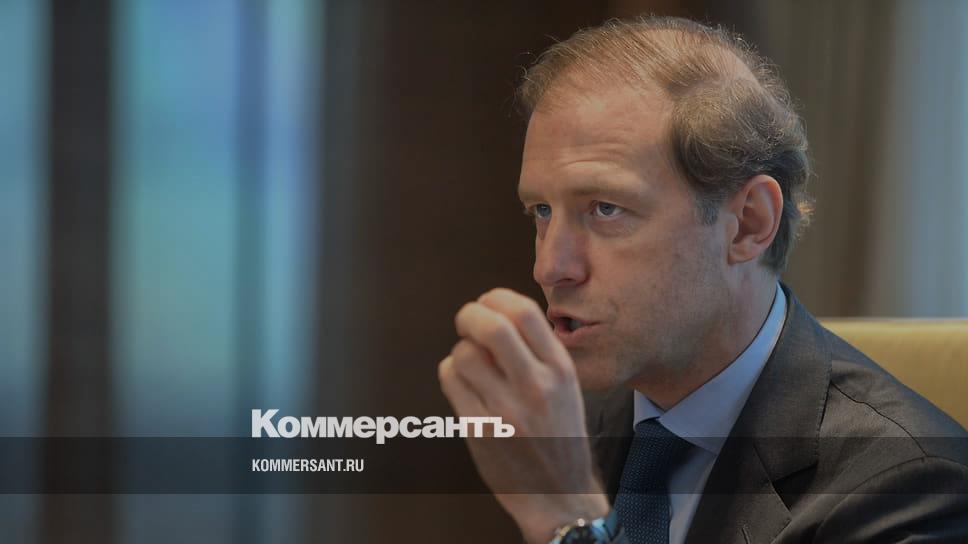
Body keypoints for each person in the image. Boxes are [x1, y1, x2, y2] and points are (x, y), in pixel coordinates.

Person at [437, 15, 968, 544]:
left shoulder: (914, 488)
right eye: (542, 211)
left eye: (605, 208)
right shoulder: (565, 427)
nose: (550, 267)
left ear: (749, 224)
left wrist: (570, 518)